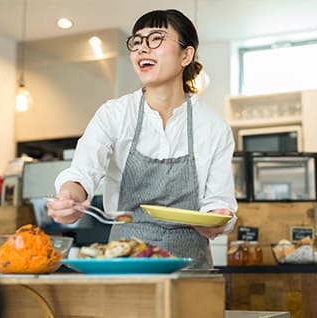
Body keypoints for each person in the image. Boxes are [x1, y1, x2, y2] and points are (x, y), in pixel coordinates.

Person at [47, 9, 238, 268]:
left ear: (186, 55)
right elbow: (83, 171)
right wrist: (69, 197)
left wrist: (217, 219)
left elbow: (218, 202)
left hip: (191, 270)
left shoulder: (213, 127)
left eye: (156, 39)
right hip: (124, 265)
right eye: (137, 42)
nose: (141, 49)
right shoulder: (114, 114)